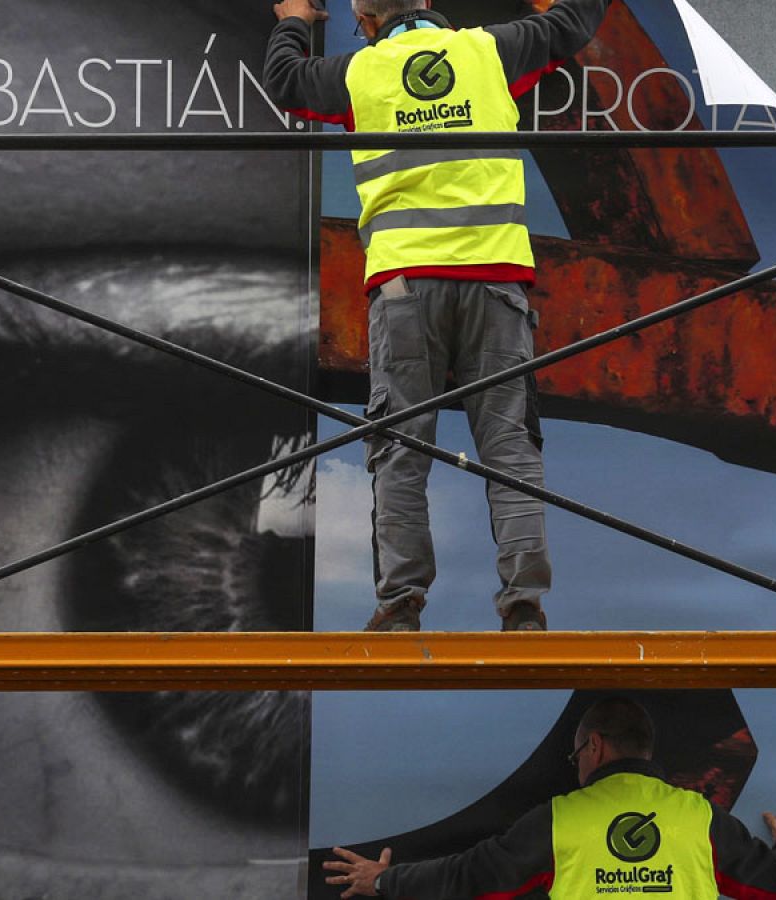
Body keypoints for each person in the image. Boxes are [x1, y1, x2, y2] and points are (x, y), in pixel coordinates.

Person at [263, 0, 614, 632]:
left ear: (365, 21)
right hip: (496, 282)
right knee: (510, 446)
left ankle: (400, 606)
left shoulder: (358, 73)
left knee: (400, 447)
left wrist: (293, 18)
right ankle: (525, 608)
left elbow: (286, 80)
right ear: (427, 4)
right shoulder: (490, 51)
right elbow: (572, 23)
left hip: (405, 289)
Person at [324, 697, 776, 898]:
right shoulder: (699, 816)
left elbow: (469, 879)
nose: (577, 766)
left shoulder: (558, 819)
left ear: (594, 747)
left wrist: (384, 880)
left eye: (575, 756)